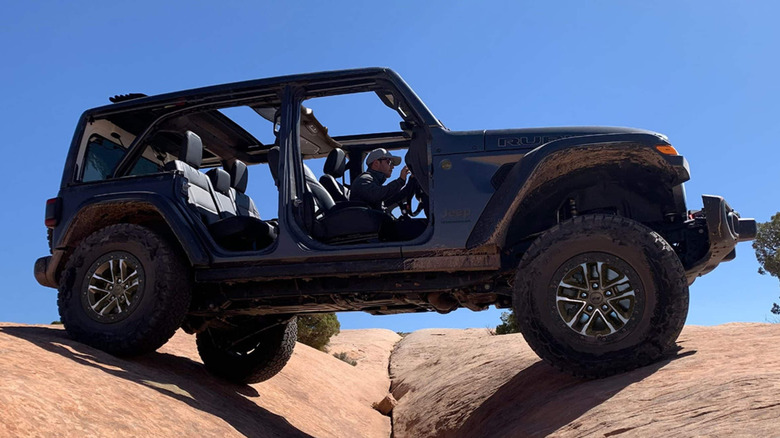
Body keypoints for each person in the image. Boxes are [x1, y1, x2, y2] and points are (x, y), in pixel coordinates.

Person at [351, 148, 426, 241]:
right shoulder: (364, 179)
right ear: (376, 163)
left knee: (421, 225)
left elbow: (396, 198)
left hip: (380, 227)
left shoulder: (374, 182)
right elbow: (377, 194)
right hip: (376, 230)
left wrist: (412, 180)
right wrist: (400, 181)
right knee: (422, 230)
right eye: (389, 162)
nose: (393, 167)